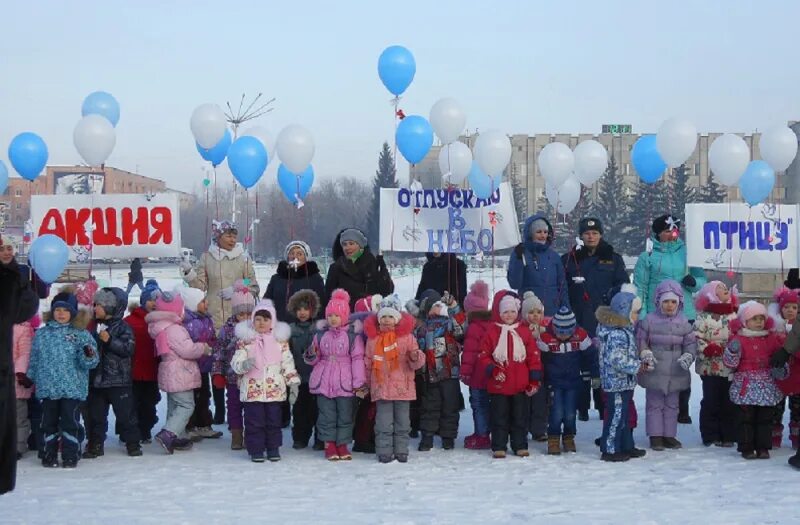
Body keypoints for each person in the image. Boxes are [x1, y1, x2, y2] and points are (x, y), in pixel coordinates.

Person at [633, 214, 706, 425]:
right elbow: (641, 287)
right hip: (656, 317)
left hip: (685, 316)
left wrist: (694, 282)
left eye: (674, 231)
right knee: (660, 363)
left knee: (682, 361)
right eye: (667, 231)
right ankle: (658, 406)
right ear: (658, 233)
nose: (672, 234)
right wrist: (643, 316)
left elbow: (702, 279)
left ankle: (681, 409)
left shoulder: (688, 253)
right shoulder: (647, 256)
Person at [562, 218, 628, 420]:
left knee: (603, 365)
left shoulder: (613, 259)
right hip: (578, 318)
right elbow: (561, 287)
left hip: (604, 320)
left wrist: (612, 299)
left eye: (595, 233)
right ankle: (581, 407)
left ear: (601, 235)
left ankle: (602, 406)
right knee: (579, 365)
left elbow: (623, 285)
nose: (591, 237)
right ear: (581, 235)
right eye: (587, 233)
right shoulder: (569, 259)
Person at [27, 292, 98, 468]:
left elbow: (90, 360)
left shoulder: (80, 334)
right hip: (48, 386)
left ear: (73, 313)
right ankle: (48, 454)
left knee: (69, 421)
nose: (60, 314)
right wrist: (31, 376)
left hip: (72, 387)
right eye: (57, 310)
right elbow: (35, 358)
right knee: (48, 422)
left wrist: (88, 354)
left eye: (65, 310)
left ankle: (70, 454)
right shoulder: (42, 334)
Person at [231, 300, 299, 462]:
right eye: (258, 319)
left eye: (266, 320)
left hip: (274, 391)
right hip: (252, 391)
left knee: (273, 422)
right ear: (253, 321)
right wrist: (243, 365)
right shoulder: (245, 342)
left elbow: (287, 364)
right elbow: (235, 364)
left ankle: (273, 448)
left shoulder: (280, 343)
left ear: (272, 322)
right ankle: (256, 449)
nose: (261, 323)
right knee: (254, 422)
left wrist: (293, 383)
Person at [477, 290, 542, 458]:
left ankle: (520, 444)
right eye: (505, 312)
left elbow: (533, 357)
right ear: (499, 313)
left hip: (520, 384)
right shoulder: (492, 332)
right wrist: (493, 369)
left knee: (520, 417)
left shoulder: (524, 331)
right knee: (499, 417)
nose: (509, 315)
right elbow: (483, 355)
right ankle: (499, 445)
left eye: (513, 311)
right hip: (499, 384)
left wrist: (534, 380)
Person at [305, 289, 366, 461]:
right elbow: (313, 358)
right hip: (323, 381)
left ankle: (343, 443)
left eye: (337, 315)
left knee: (345, 415)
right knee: (326, 415)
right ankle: (329, 443)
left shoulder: (353, 336)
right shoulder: (320, 334)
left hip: (345, 382)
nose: (333, 318)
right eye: (330, 315)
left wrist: (358, 382)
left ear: (345, 316)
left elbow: (358, 359)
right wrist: (310, 355)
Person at [635, 280, 697, 451]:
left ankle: (669, 435)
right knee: (654, 403)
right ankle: (655, 435)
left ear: (679, 303)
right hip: (655, 368)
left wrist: (688, 355)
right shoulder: (649, 320)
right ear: (659, 302)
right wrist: (644, 352)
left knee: (672, 404)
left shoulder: (684, 322)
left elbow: (691, 344)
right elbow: (641, 340)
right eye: (666, 302)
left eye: (673, 302)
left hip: (676, 369)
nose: (670, 306)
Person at [147, 291, 211, 454]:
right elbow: (187, 350)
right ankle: (169, 433)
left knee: (175, 405)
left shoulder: (161, 327)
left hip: (171, 370)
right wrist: (202, 348)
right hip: (180, 371)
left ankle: (176, 436)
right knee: (186, 405)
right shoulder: (174, 329)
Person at [364, 295, 424, 463]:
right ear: (378, 318)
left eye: (391, 316)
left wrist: (415, 356)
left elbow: (416, 363)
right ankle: (384, 451)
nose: (387, 320)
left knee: (403, 423)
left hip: (403, 389)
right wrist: (367, 384)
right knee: (383, 424)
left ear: (397, 319)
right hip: (381, 388)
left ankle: (401, 450)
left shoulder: (408, 338)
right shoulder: (373, 340)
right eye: (384, 316)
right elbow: (368, 363)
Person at [84, 287, 142, 458]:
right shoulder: (92, 327)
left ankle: (133, 443)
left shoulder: (124, 328)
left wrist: (110, 341)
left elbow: (128, 348)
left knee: (126, 415)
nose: (95, 308)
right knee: (96, 417)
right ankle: (95, 444)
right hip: (97, 380)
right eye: (95, 305)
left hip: (119, 380)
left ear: (111, 307)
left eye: (99, 305)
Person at [724, 301, 784, 459]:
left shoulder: (771, 338)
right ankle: (746, 446)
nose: (759, 322)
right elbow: (730, 364)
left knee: (765, 418)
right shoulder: (739, 339)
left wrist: (780, 369)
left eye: (761, 318)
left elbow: (779, 358)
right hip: (746, 385)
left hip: (766, 384)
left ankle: (763, 446)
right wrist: (732, 351)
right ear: (745, 321)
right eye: (754, 318)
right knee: (745, 418)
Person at [408, 289, 466, 451]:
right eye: (435, 305)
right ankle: (427, 437)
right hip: (430, 376)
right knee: (429, 408)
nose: (439, 307)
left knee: (450, 407)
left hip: (449, 373)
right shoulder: (421, 328)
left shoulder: (449, 324)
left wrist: (454, 306)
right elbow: (416, 348)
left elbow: (461, 326)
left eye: (441, 304)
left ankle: (448, 437)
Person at [595, 284, 647, 462]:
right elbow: (616, 359)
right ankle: (610, 449)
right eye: (635, 312)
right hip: (615, 383)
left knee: (624, 416)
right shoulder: (616, 333)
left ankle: (626, 445)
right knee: (616, 417)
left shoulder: (625, 330)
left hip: (624, 382)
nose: (637, 316)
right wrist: (636, 366)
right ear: (625, 312)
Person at [537, 306, 598, 455]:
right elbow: (538, 359)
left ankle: (569, 436)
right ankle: (553, 437)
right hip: (554, 382)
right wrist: (539, 378)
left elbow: (591, 356)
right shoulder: (546, 338)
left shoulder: (581, 336)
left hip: (573, 382)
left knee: (570, 412)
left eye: (567, 333)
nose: (563, 336)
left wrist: (594, 374)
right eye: (560, 332)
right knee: (556, 412)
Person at [182, 220, 259, 329]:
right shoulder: (207, 257)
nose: (232, 240)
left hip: (239, 316)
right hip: (213, 316)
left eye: (234, 237)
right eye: (228, 236)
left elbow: (251, 282)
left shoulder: (244, 258)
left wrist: (236, 288)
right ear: (218, 237)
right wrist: (189, 272)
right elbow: (201, 286)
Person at [693, 281, 740, 447]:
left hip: (730, 367)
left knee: (729, 402)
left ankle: (729, 434)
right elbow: (696, 337)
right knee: (711, 401)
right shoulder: (703, 317)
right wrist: (706, 348)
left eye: (726, 287)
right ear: (711, 295)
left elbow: (740, 336)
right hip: (709, 368)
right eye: (720, 288)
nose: (725, 289)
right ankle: (711, 435)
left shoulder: (734, 315)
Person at [211, 282, 256, 450]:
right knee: (234, 407)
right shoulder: (227, 330)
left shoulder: (258, 329)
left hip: (253, 378)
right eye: (241, 314)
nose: (244, 317)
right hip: (232, 377)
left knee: (252, 409)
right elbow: (218, 352)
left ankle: (253, 434)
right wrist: (217, 373)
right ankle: (236, 435)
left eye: (248, 313)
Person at [178, 286, 223, 441]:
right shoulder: (189, 322)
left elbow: (210, 337)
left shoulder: (206, 318)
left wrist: (214, 344)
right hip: (191, 366)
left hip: (204, 365)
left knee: (204, 395)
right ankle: (190, 426)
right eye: (202, 301)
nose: (207, 303)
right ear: (192, 303)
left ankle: (204, 424)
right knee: (192, 397)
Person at [124, 279, 162, 444]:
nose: (154, 304)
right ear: (143, 301)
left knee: (149, 403)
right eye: (150, 300)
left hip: (152, 371)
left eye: (157, 300)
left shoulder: (162, 322)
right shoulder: (131, 321)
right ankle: (130, 432)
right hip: (134, 372)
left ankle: (145, 430)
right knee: (132, 404)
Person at [507, 214, 567, 316]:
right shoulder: (521, 253)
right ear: (530, 234)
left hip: (552, 311)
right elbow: (514, 283)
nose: (542, 235)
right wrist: (518, 260)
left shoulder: (554, 256)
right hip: (529, 312)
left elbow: (562, 285)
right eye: (538, 232)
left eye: (545, 232)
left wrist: (565, 307)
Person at [325, 228, 394, 310]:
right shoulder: (336, 268)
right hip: (345, 316)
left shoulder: (373, 264)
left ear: (360, 245)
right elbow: (328, 296)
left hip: (370, 315)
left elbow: (387, 291)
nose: (347, 247)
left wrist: (383, 271)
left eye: (351, 243)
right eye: (344, 244)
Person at [286, 290, 321, 450]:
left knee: (318, 410)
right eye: (299, 309)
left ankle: (320, 438)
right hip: (299, 377)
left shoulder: (319, 329)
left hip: (317, 378)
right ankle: (300, 437)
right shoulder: (290, 330)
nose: (302, 312)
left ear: (312, 310)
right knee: (299, 410)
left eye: (306, 309)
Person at [460, 280, 493, 450]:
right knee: (490, 403)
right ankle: (487, 432)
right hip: (491, 373)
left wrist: (465, 372)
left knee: (479, 404)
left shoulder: (473, 327)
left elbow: (469, 353)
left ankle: (481, 434)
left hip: (477, 374)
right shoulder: (493, 324)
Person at [263, 240, 326, 323]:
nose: (295, 257)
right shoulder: (277, 278)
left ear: (306, 257)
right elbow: (267, 301)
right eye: (292, 253)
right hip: (281, 327)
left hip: (307, 328)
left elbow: (321, 304)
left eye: (299, 254)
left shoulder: (314, 278)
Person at [768, 286, 799, 449]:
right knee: (775, 410)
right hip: (779, 378)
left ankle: (796, 437)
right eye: (786, 307)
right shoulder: (775, 328)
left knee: (797, 411)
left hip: (797, 378)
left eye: (794, 307)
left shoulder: (797, 329)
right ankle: (774, 436)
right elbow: (772, 349)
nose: (790, 310)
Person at [521, 291, 549, 442]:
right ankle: (523, 428)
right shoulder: (521, 330)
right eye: (531, 312)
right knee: (525, 403)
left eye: (538, 312)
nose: (535, 315)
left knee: (540, 403)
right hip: (524, 373)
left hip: (541, 373)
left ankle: (539, 430)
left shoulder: (546, 331)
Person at [13, 317, 35, 459]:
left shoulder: (23, 329)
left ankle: (18, 446)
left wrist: (21, 373)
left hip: (16, 382)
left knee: (19, 417)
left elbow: (26, 353)